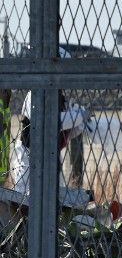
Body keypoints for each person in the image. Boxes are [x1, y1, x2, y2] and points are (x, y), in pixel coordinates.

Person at [9, 48, 90, 195]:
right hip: (29, 155)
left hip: (48, 157)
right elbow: (50, 120)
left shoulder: (58, 96)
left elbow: (60, 130)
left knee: (52, 198)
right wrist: (79, 116)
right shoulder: (37, 93)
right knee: (25, 198)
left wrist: (76, 127)